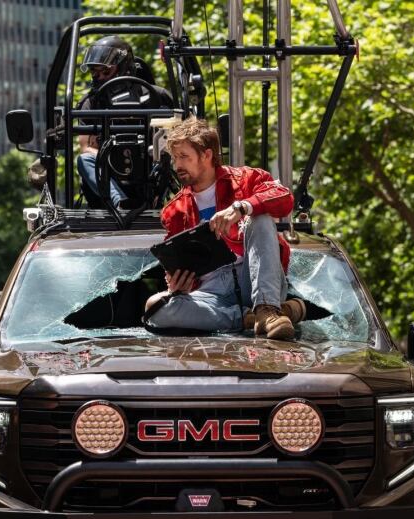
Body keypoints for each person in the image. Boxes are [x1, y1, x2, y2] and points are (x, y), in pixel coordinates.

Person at [144, 116, 306, 340]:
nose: (177, 165)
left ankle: (267, 309)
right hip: (211, 293)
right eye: (175, 158)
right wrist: (178, 285)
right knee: (155, 307)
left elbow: (285, 198)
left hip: (254, 279)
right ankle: (250, 318)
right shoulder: (174, 210)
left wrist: (242, 207)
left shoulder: (247, 179)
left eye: (184, 157)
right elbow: (183, 268)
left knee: (259, 219)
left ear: (207, 155)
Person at [76, 35, 173, 208]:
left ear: (123, 67)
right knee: (84, 160)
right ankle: (119, 201)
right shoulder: (90, 102)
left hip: (151, 166)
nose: (98, 77)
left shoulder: (156, 96)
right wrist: (110, 154)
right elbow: (85, 146)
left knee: (179, 155)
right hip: (108, 172)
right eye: (94, 72)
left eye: (105, 72)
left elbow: (179, 137)